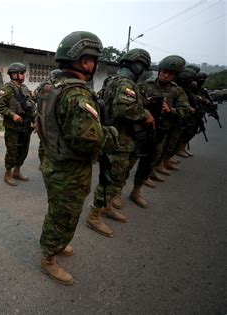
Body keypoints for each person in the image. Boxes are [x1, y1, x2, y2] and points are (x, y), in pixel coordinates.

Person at [36, 31, 112, 285]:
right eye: (93, 59)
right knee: (64, 214)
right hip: (68, 168)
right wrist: (109, 135)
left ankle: (55, 244)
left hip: (53, 160)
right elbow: (88, 139)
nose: (94, 63)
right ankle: (48, 257)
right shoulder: (76, 94)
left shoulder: (49, 86)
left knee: (58, 211)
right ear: (84, 61)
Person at [86, 48, 154, 237]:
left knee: (116, 178)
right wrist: (145, 114)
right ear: (139, 66)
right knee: (111, 180)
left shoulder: (111, 81)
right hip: (119, 142)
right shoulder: (125, 84)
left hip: (119, 140)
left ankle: (106, 207)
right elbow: (124, 110)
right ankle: (94, 215)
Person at [132, 55, 189, 207]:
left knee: (148, 164)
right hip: (140, 131)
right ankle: (116, 195)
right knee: (127, 163)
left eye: (170, 73)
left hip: (160, 133)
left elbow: (185, 111)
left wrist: (171, 110)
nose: (166, 75)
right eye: (164, 72)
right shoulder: (144, 86)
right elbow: (132, 104)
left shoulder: (177, 91)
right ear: (159, 71)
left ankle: (136, 191)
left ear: (175, 75)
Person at [0, 62, 36, 186]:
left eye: (23, 73)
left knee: (23, 150)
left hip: (26, 125)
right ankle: (8, 173)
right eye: (21, 73)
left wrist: (34, 121)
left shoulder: (25, 88)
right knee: (12, 151)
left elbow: (31, 107)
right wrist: (12, 115)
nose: (23, 75)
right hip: (12, 127)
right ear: (14, 74)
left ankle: (17, 171)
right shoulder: (6, 89)